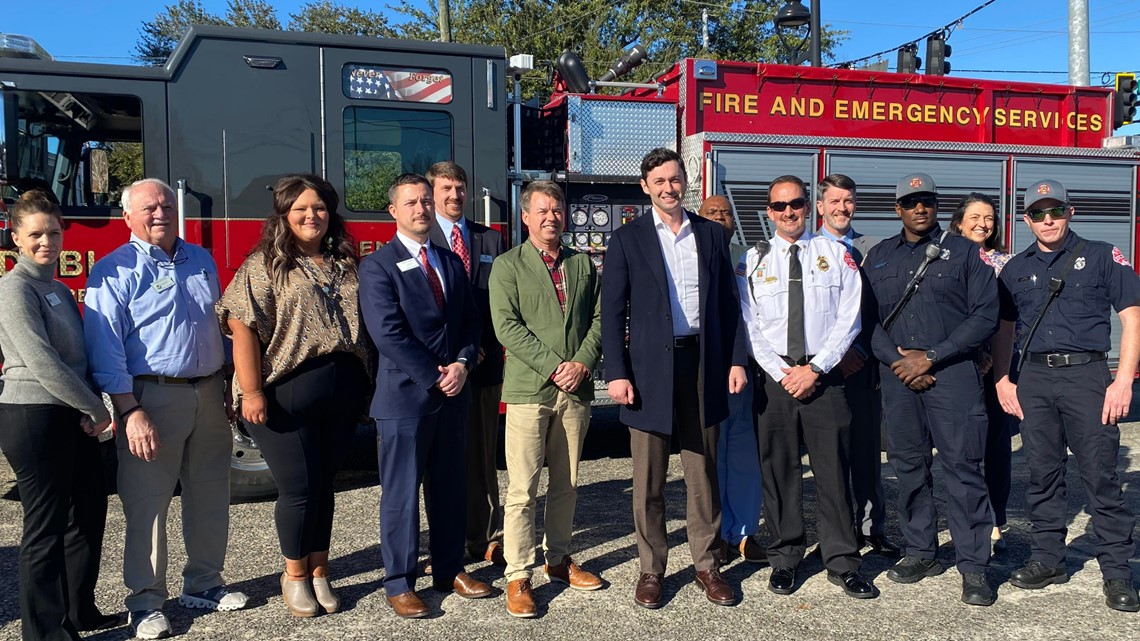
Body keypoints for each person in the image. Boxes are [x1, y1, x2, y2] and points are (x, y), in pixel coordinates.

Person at [84, 178, 248, 640]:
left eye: (166, 205)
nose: (160, 213)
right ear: (127, 217)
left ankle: (204, 584)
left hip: (208, 391)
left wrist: (230, 381)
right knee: (147, 503)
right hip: (150, 397)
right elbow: (105, 347)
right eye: (149, 207)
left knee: (211, 495)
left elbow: (217, 327)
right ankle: (146, 602)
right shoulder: (112, 271)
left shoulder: (201, 259)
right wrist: (129, 410)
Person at [217, 174, 372, 617]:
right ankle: (295, 576)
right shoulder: (264, 264)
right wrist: (251, 391)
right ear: (283, 215)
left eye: (320, 208)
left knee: (324, 487)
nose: (312, 216)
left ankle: (320, 570)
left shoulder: (343, 262)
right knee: (299, 489)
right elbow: (242, 326)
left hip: (342, 394)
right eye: (301, 209)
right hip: (284, 393)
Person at [601, 148, 748, 609]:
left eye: (675, 178)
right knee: (649, 480)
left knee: (702, 471)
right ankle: (651, 569)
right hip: (647, 373)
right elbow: (612, 312)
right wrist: (617, 373)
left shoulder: (710, 235)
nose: (669, 187)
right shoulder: (627, 239)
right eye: (659, 181)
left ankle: (707, 564)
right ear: (645, 187)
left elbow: (730, 305)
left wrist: (737, 360)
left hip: (702, 365)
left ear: (686, 181)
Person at [993, 179, 1140, 613]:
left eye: (1055, 210)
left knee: (1100, 476)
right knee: (1042, 474)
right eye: (1038, 213)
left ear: (1070, 212)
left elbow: (1132, 318)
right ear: (1026, 220)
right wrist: (1004, 379)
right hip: (1035, 379)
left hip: (1088, 377)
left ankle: (1117, 572)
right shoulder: (1015, 268)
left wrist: (1123, 380)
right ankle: (1048, 559)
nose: (1048, 219)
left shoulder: (1100, 256)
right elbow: (1004, 330)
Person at [358, 173, 491, 619]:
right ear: (393, 211)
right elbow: (388, 335)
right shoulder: (378, 266)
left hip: (453, 395)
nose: (421, 209)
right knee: (401, 494)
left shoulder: (451, 262)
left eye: (425, 201)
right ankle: (399, 581)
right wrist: (434, 376)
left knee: (451, 488)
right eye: (411, 202)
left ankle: (449, 568)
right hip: (405, 399)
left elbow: (471, 323)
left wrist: (463, 364)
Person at [863, 172, 998, 607]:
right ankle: (922, 550)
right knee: (909, 466)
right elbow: (864, 321)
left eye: (927, 201)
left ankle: (974, 566)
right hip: (899, 376)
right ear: (896, 208)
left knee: (963, 468)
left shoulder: (965, 253)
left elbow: (984, 316)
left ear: (937, 206)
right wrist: (900, 362)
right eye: (910, 201)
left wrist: (932, 356)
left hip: (952, 374)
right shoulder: (879, 257)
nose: (919, 208)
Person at [738, 176, 874, 599]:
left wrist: (815, 368)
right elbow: (749, 324)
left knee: (833, 471)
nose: (789, 212)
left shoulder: (838, 255)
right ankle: (785, 556)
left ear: (809, 206)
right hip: (776, 381)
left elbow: (849, 319)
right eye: (779, 206)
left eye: (796, 203)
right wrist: (783, 372)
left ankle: (842, 559)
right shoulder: (754, 259)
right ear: (768, 212)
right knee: (778, 470)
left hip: (824, 378)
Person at [0, 191, 119, 640]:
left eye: (53, 232)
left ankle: (78, 612)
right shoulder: (15, 289)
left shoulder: (58, 289)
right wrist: (95, 408)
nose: (46, 241)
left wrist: (90, 406)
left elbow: (80, 358)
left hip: (70, 414)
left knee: (88, 512)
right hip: (33, 415)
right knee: (45, 526)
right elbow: (41, 360)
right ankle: (44, 631)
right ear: (16, 239)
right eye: (35, 234)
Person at [489, 181, 605, 618]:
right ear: (525, 216)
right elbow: (507, 327)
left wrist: (582, 362)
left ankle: (557, 559)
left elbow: (598, 318)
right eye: (542, 211)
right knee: (522, 489)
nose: (551, 217)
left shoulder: (582, 264)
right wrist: (557, 365)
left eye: (557, 210)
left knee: (568, 482)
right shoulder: (507, 265)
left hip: (575, 390)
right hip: (530, 389)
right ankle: (518, 575)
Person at [814, 173, 903, 559]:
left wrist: (863, 352)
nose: (842, 208)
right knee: (828, 458)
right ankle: (833, 533)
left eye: (848, 200)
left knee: (867, 453)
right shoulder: (804, 247)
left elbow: (881, 312)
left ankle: (872, 529)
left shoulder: (874, 249)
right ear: (820, 206)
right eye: (834, 201)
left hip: (863, 367)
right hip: (822, 369)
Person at [426, 161, 508, 567]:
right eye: (446, 188)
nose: (455, 195)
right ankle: (448, 539)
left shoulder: (490, 240)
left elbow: (502, 304)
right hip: (442, 370)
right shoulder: (422, 238)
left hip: (485, 364)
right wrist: (457, 353)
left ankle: (485, 535)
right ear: (431, 192)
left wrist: (480, 348)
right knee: (444, 458)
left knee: (482, 454)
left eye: (460, 187)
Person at [697, 195, 764, 563]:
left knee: (742, 452)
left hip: (744, 369)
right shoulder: (693, 253)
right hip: (705, 369)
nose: (721, 218)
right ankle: (718, 532)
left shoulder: (748, 257)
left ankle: (744, 532)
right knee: (711, 454)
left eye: (726, 213)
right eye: (712, 213)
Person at [948, 192, 1013, 553]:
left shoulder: (1006, 263)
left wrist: (991, 357)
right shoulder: (942, 258)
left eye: (988, 218)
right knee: (960, 448)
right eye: (974, 217)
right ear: (959, 222)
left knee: (995, 445)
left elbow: (1011, 317)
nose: (981, 224)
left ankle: (995, 520)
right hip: (957, 362)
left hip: (995, 368)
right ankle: (966, 519)